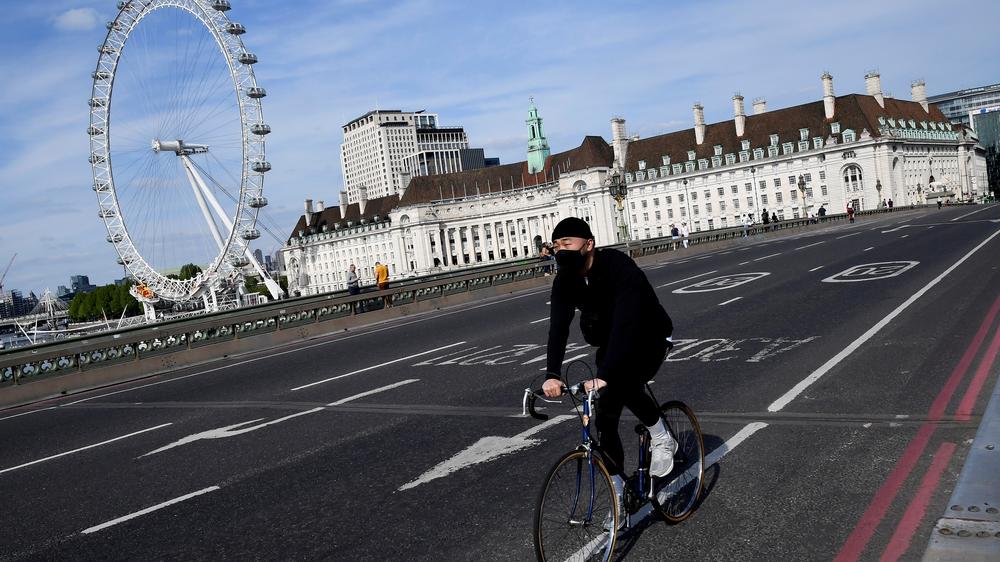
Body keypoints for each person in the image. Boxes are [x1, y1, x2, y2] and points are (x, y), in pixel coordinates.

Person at [543, 217, 676, 529]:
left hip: (649, 335)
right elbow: (558, 327)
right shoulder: (565, 279)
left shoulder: (617, 266)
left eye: (568, 244)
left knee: (623, 381)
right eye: (557, 246)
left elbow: (628, 320)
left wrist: (606, 374)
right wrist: (552, 373)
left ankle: (662, 437)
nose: (561, 251)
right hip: (612, 341)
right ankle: (618, 497)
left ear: (589, 244)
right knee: (604, 419)